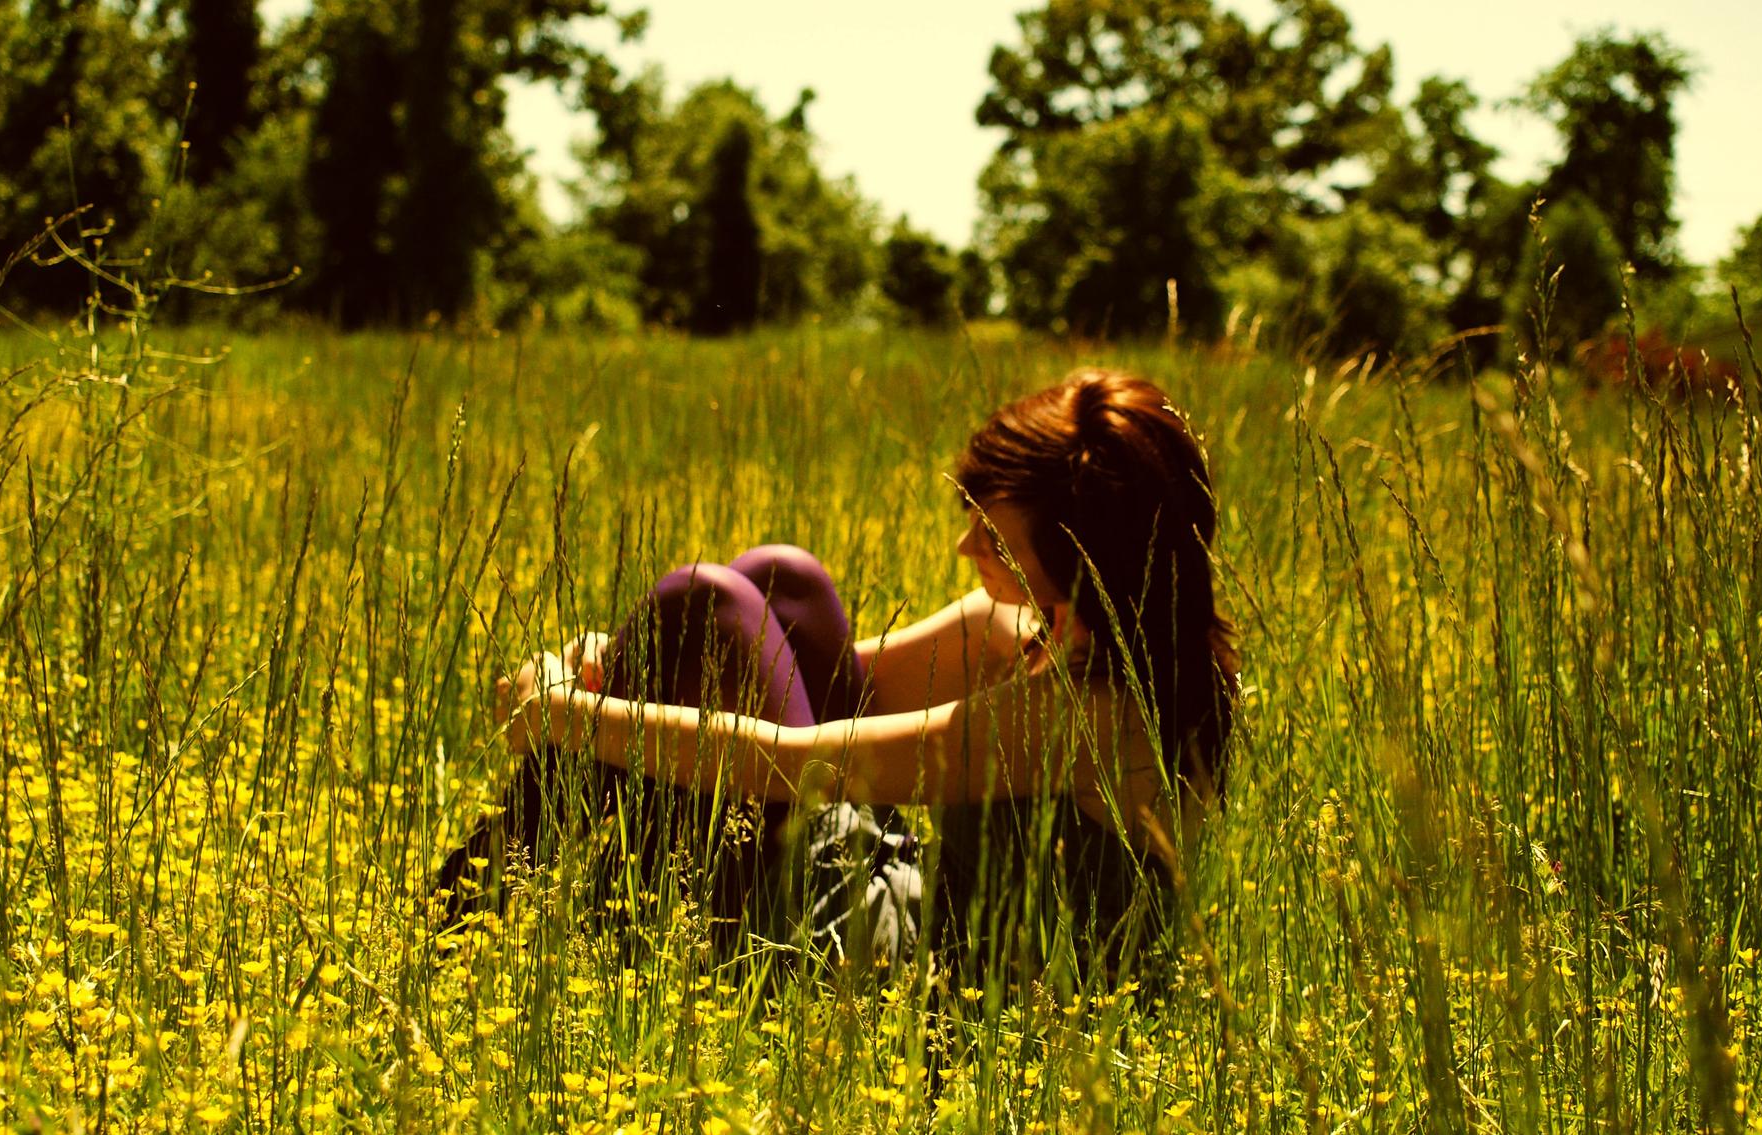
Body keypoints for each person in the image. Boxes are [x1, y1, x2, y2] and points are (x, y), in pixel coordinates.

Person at [435, 368, 1240, 988]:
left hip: (929, 980)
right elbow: (811, 670)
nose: (966, 550)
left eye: (996, 540)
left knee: (705, 600)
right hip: (918, 899)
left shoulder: (1094, 713)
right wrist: (611, 663)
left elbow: (790, 763)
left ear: (1090, 563)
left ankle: (458, 917)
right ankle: (478, 909)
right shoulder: (1059, 631)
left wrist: (563, 714)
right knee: (780, 581)